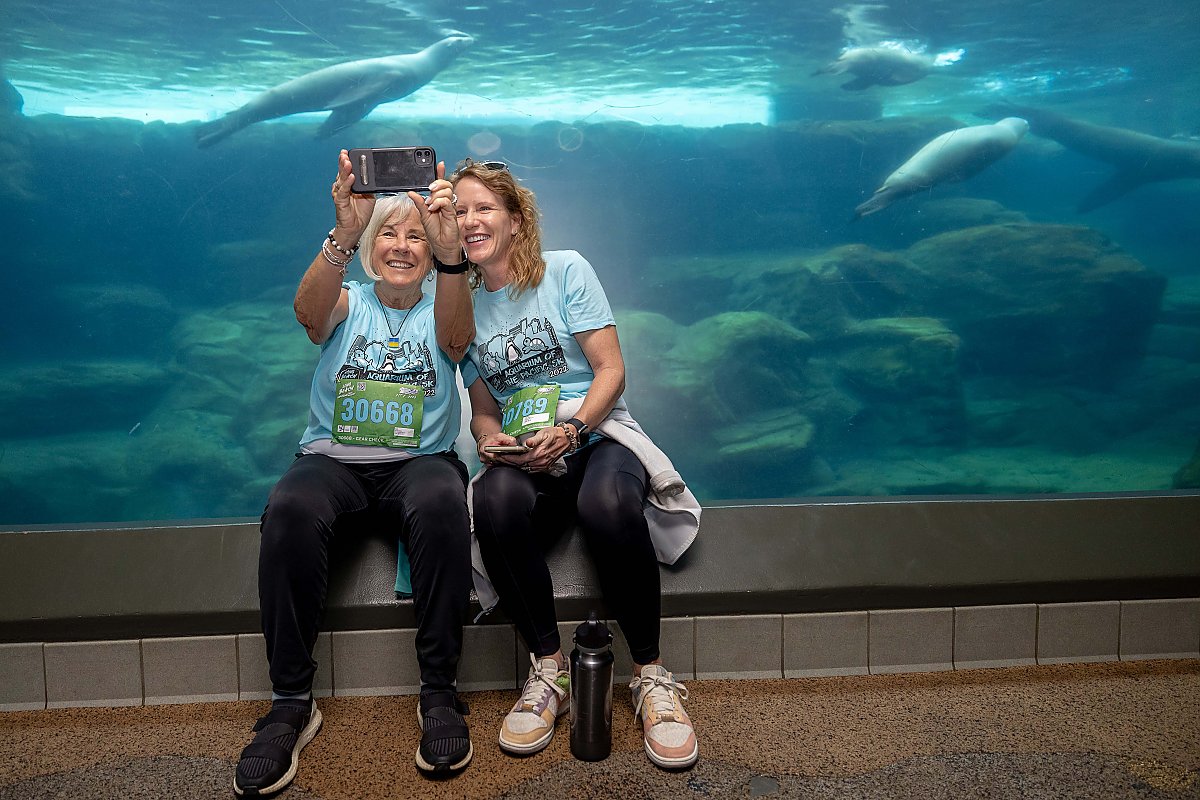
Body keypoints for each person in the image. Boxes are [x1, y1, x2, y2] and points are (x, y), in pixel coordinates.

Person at [235, 150, 476, 796]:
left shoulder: (441, 299)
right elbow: (307, 316)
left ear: (431, 252)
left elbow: (456, 343)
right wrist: (344, 231)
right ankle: (290, 702)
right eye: (389, 234)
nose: (402, 246)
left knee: (443, 502)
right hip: (333, 463)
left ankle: (439, 693)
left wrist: (452, 251)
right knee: (287, 509)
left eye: (416, 237)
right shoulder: (348, 301)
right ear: (373, 246)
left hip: (418, 464)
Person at [450, 159, 701, 769]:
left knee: (607, 502)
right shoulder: (462, 308)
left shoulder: (566, 270)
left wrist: (572, 429)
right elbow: (483, 407)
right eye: (458, 211)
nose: (471, 220)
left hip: (596, 432)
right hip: (527, 450)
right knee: (493, 500)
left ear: (515, 219)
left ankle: (650, 676)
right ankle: (547, 669)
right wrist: (489, 440)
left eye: (484, 207)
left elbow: (612, 371)